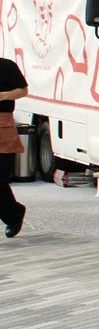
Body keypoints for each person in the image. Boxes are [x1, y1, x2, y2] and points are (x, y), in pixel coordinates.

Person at [0, 57, 29, 239]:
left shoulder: (6, 66)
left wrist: (3, 95)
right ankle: (14, 214)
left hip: (2, 125)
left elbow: (23, 90)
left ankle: (14, 214)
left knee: (0, 178)